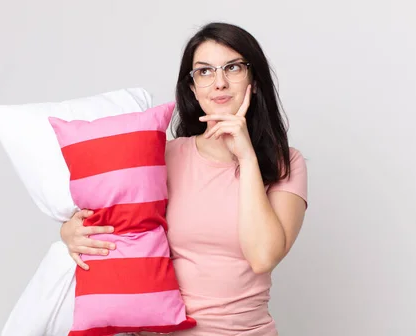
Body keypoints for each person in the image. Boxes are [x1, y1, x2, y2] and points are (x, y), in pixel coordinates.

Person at [60, 22, 308, 336]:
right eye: (204, 72)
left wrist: (246, 159)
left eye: (232, 67)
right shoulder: (161, 155)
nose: (219, 83)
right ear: (192, 88)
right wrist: (70, 231)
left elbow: (263, 257)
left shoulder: (286, 162)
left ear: (254, 81)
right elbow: (112, 219)